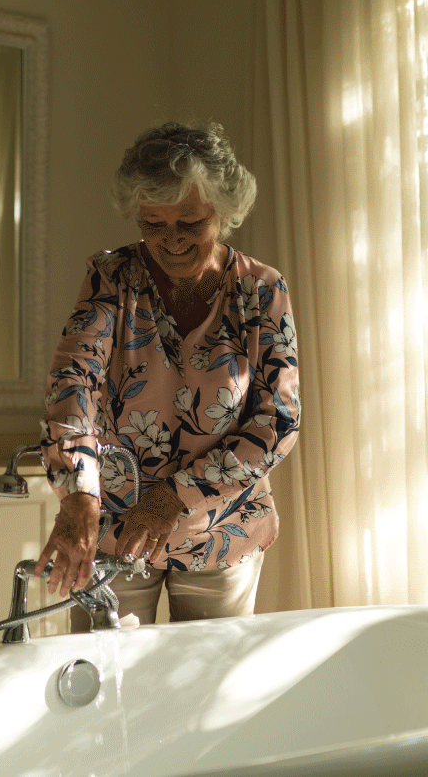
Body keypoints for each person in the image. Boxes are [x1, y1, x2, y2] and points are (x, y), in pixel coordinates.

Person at [35, 121, 300, 628]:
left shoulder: (261, 290)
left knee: (204, 688)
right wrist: (79, 494)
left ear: (223, 213)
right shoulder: (111, 276)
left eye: (189, 223)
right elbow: (74, 383)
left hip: (219, 528)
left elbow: (278, 421)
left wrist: (174, 496)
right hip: (111, 523)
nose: (170, 241)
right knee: (102, 683)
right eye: (153, 224)